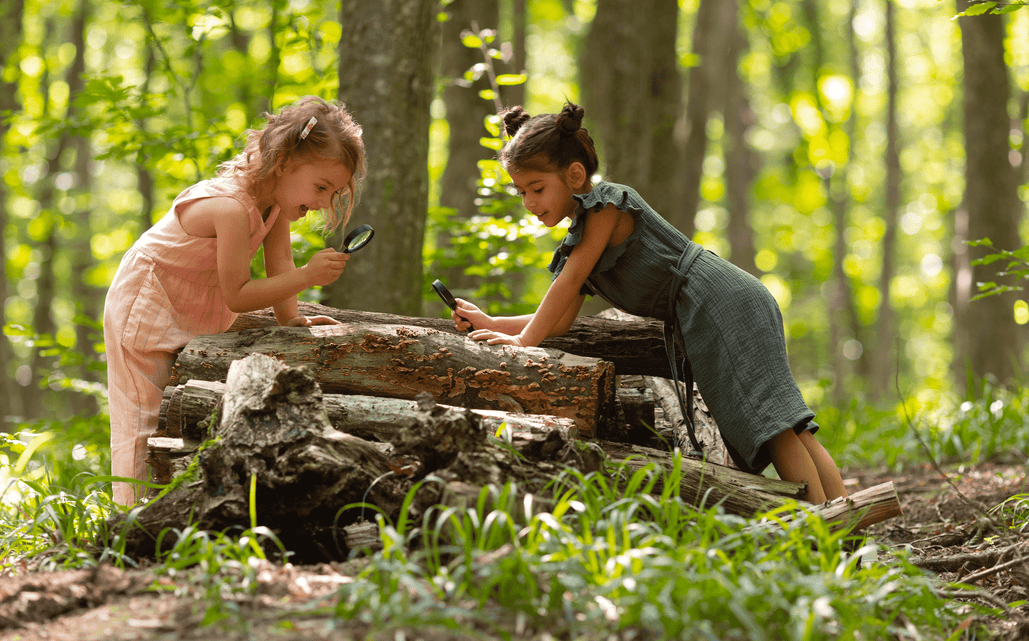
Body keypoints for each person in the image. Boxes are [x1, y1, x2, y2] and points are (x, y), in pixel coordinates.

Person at [449, 101, 847, 504]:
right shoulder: (582, 238)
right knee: (786, 425)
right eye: (521, 193)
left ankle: (822, 529)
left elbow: (565, 287)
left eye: (537, 189)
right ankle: (847, 528)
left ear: (574, 174)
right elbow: (557, 320)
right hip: (714, 306)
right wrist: (493, 322)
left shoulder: (607, 204)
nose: (529, 203)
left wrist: (523, 344)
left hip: (722, 301)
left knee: (772, 425)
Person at [103, 96, 365, 505]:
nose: (321, 203)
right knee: (142, 420)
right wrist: (309, 276)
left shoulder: (272, 204)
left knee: (181, 411)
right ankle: (128, 520)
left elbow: (279, 260)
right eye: (320, 187)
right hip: (146, 302)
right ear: (284, 162)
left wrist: (290, 319)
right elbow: (238, 294)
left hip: (187, 303)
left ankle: (176, 514)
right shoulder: (228, 208)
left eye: (331, 193)